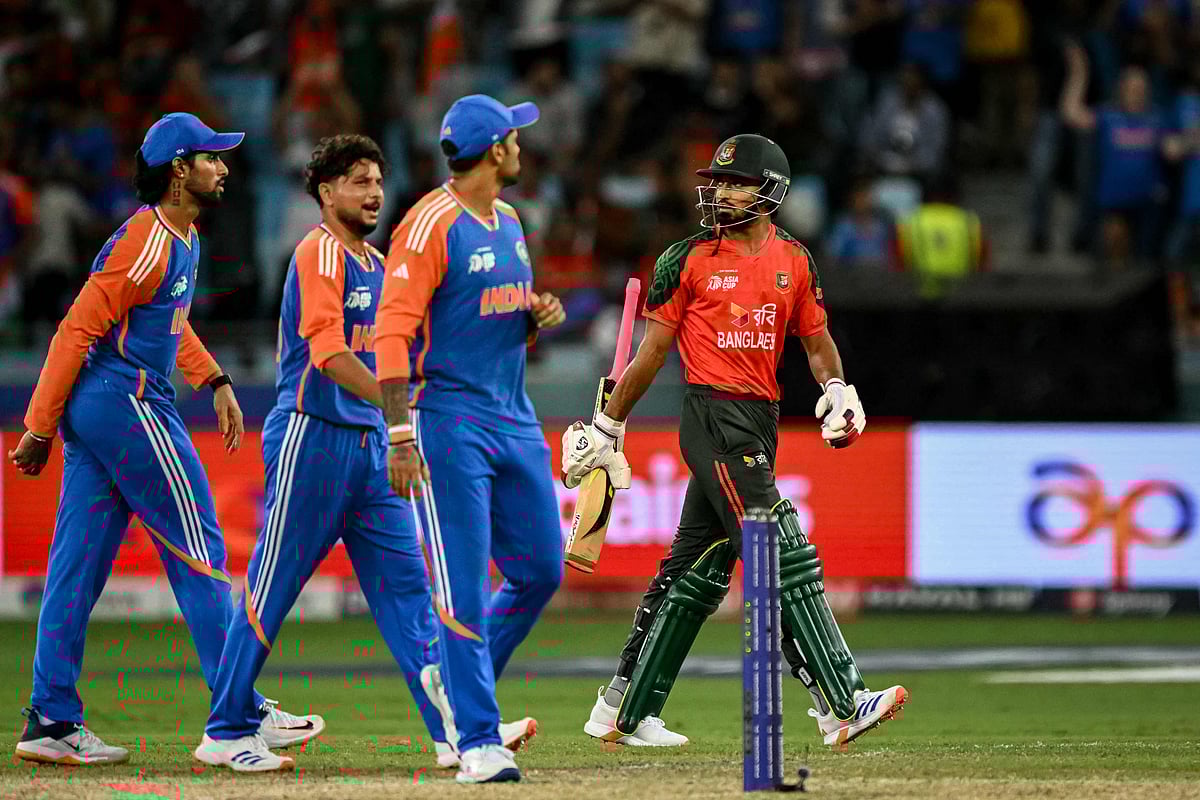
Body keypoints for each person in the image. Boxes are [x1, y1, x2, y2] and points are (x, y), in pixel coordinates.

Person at [563, 134, 908, 750]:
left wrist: (837, 388)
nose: (720, 192)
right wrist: (609, 425)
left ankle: (623, 706)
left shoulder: (796, 260)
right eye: (716, 182)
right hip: (713, 417)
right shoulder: (686, 258)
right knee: (779, 546)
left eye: (735, 183)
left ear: (769, 190)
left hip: (761, 420)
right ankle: (841, 700)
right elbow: (650, 355)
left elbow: (817, 339)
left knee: (696, 568)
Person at [7, 113, 321, 765]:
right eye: (212, 158)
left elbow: (169, 324)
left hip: (108, 407)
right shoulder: (146, 242)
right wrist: (38, 424)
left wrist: (215, 378)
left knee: (77, 566)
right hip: (128, 402)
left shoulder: (179, 237)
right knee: (200, 549)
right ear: (180, 168)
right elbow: (74, 332)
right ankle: (237, 716)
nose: (224, 168)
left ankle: (51, 719)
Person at [196, 135, 447, 771]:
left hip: (372, 448)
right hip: (313, 437)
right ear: (327, 191)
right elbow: (329, 355)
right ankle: (225, 729)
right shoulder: (320, 250)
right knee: (273, 587)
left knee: (409, 593)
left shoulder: (379, 261)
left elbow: (404, 350)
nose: (374, 192)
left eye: (378, 181)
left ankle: (457, 731)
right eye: (359, 181)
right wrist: (400, 414)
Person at [376, 94, 566, 784]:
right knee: (461, 582)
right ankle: (477, 742)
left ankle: (450, 683)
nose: (523, 146)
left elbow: (487, 311)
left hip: (512, 417)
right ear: (495, 150)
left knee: (541, 568)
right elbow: (392, 334)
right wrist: (400, 435)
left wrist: (533, 315)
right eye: (516, 137)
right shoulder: (428, 225)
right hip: (448, 420)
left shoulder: (511, 220)